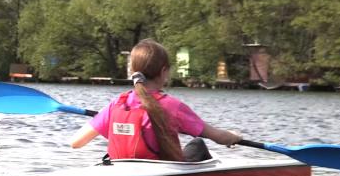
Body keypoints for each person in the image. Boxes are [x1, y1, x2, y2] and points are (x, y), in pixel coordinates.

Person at [69, 39, 241, 161]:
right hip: (163, 170)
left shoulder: (118, 104)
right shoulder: (173, 106)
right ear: (164, 71)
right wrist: (234, 137)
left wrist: (106, 120)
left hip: (120, 167)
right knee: (198, 144)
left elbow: (76, 143)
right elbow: (219, 137)